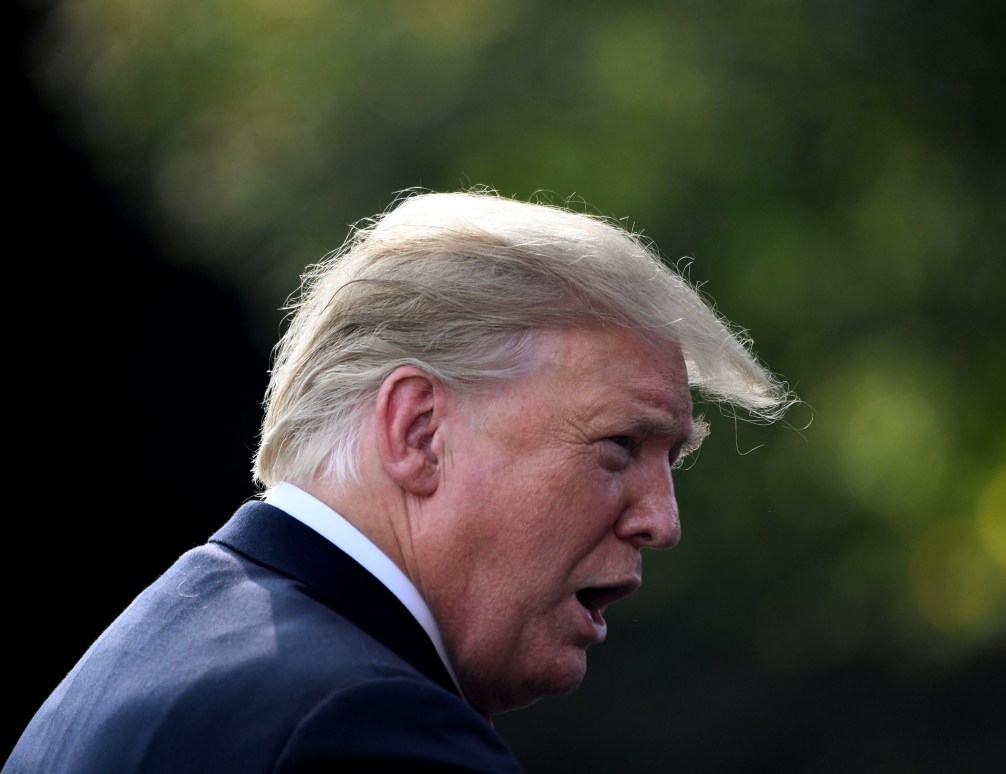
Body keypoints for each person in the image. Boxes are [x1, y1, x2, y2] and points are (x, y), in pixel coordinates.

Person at [4, 187, 795, 773]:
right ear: (418, 432)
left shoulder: (154, 652)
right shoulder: (365, 728)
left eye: (674, 458)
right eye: (620, 445)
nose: (662, 519)